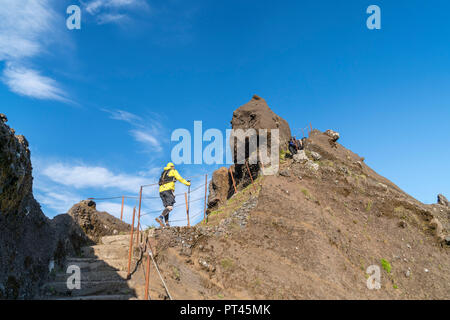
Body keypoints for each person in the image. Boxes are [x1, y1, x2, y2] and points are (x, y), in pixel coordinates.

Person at [155, 162, 191, 228]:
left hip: (161, 191)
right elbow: (180, 178)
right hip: (168, 190)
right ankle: (160, 217)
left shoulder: (163, 173)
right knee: (170, 207)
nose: (174, 167)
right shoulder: (173, 171)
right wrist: (187, 183)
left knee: (167, 207)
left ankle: (167, 224)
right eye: (173, 166)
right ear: (172, 167)